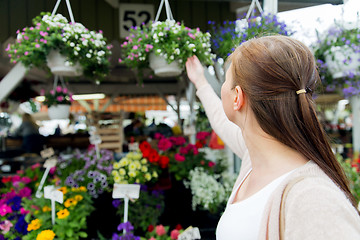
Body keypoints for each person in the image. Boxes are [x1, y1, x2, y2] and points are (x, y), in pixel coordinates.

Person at [185, 35, 360, 240]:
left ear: (237, 97)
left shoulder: (312, 198)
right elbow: (221, 122)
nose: (222, 86)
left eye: (225, 80)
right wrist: (200, 81)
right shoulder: (255, 157)